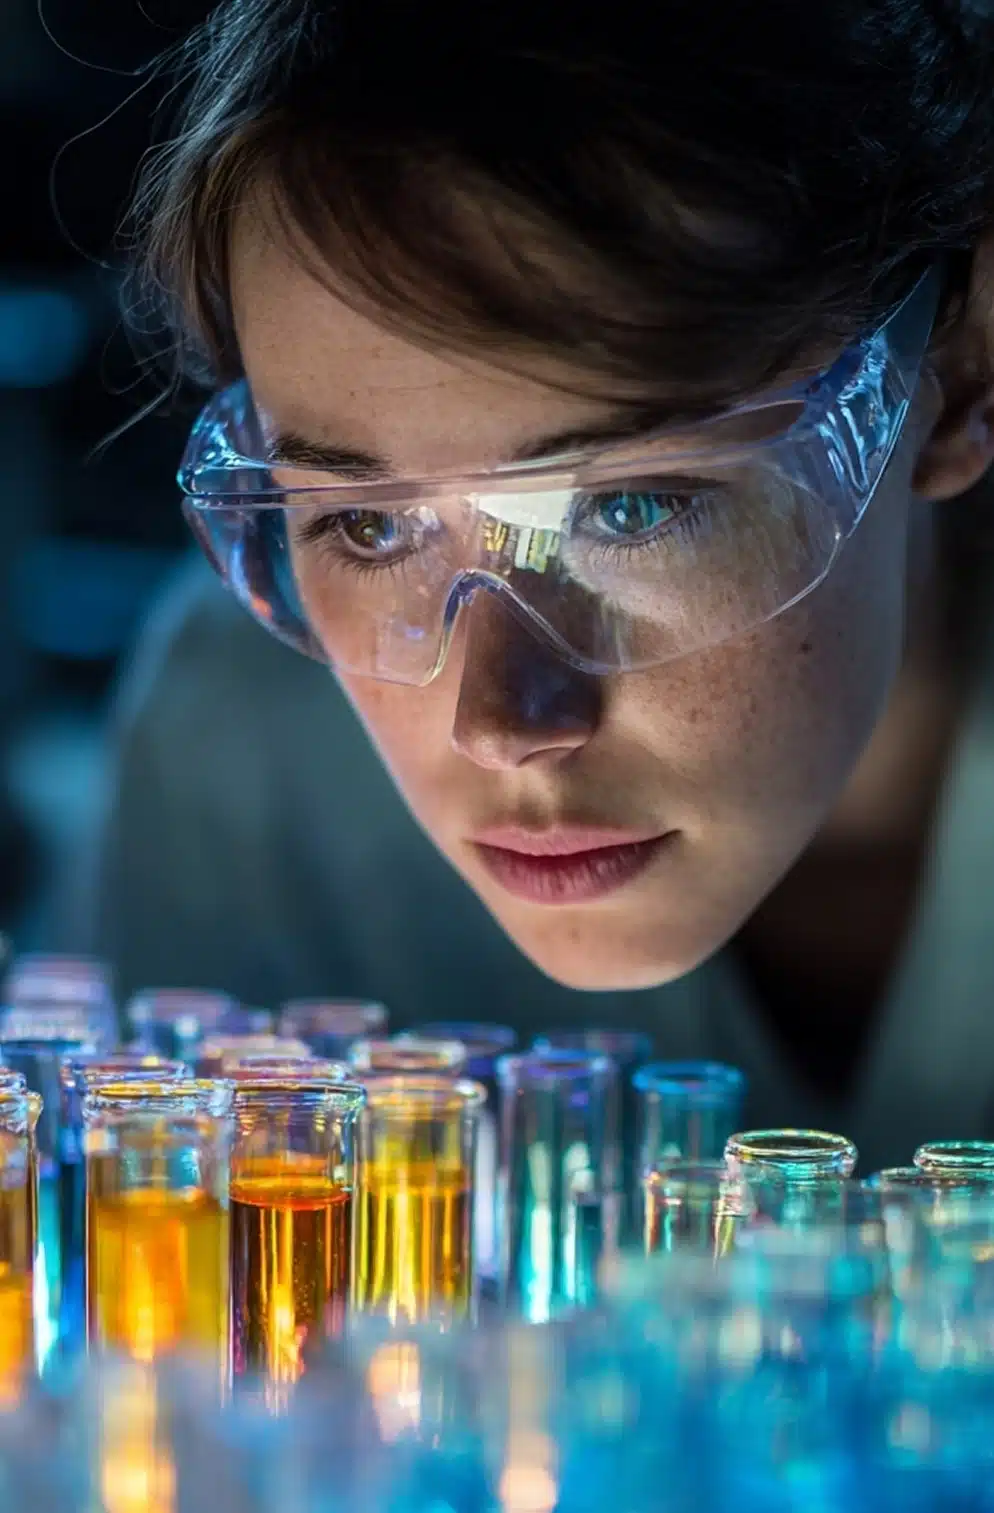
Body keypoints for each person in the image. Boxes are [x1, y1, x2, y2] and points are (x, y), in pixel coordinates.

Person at [54, 0, 994, 1170]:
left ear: (954, 374)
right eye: (365, 523)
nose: (500, 721)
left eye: (629, 506)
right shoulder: (241, 744)